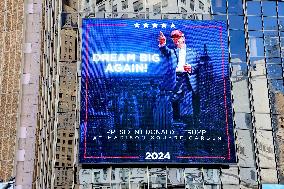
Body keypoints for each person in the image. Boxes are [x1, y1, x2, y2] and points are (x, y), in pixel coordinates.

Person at [158, 30, 200, 125]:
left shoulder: (193, 52)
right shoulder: (172, 52)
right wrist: (162, 44)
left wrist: (191, 68)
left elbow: (199, 65)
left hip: (188, 78)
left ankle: (191, 122)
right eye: (174, 39)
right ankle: (176, 121)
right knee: (175, 98)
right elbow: (165, 50)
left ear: (183, 38)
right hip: (177, 78)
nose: (175, 40)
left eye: (178, 38)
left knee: (189, 100)